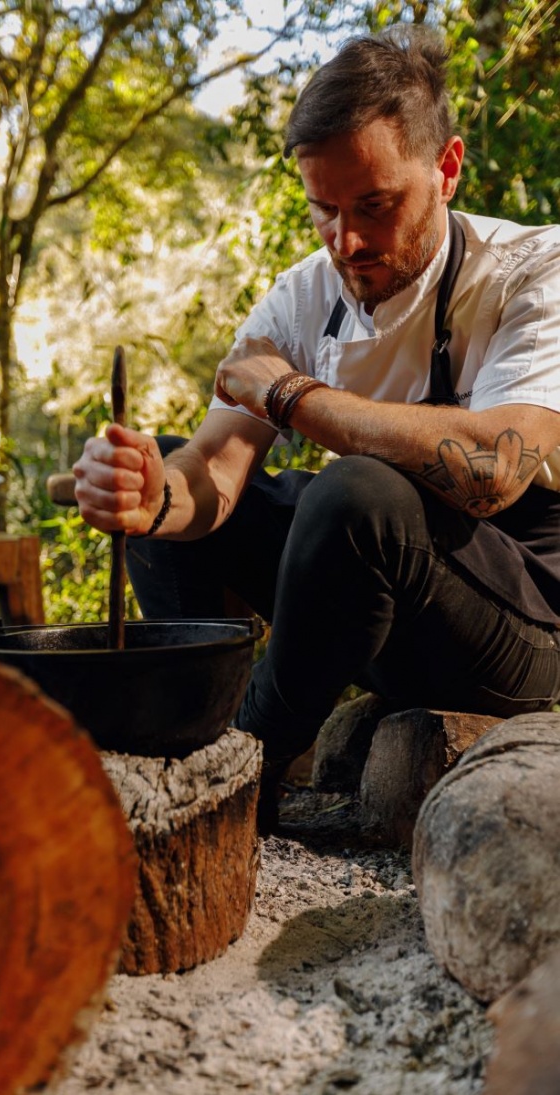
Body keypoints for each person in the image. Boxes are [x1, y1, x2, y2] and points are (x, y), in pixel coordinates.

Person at [72, 26, 560, 829]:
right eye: (324, 211)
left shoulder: (529, 273)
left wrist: (296, 398)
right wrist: (150, 496)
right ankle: (185, 731)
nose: (349, 242)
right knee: (167, 467)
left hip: (520, 625)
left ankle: (240, 771)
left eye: (376, 206)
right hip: (372, 606)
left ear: (447, 169)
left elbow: (493, 470)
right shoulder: (301, 297)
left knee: (354, 494)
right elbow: (214, 476)